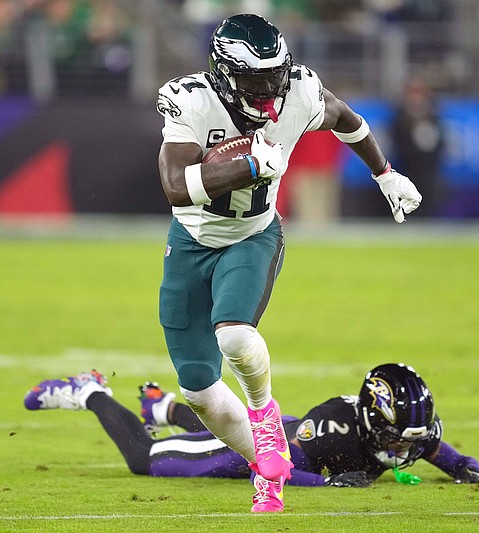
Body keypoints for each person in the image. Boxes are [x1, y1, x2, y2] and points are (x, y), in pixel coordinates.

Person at [154, 14, 422, 513]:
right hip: (190, 241)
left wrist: (386, 173)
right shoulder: (192, 99)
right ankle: (270, 464)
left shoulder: (297, 90)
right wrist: (249, 166)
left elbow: (347, 120)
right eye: (257, 82)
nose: (270, 93)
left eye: (275, 78)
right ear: (225, 76)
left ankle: (265, 415)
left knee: (233, 333)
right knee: (201, 393)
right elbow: (174, 186)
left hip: (253, 237)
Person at [23, 363, 479, 505]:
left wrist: (464, 468)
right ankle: (90, 393)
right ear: (372, 422)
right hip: (254, 451)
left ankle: (163, 406)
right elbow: (272, 467)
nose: (403, 450)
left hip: (281, 432)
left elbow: (433, 447)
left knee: (222, 423)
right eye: (395, 439)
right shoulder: (332, 429)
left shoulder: (395, 429)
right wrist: (327, 484)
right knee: (145, 458)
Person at [390, 79, 445, 218]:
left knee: (429, 200)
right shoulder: (401, 117)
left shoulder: (433, 116)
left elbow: (440, 142)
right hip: (409, 167)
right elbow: (398, 141)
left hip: (428, 170)